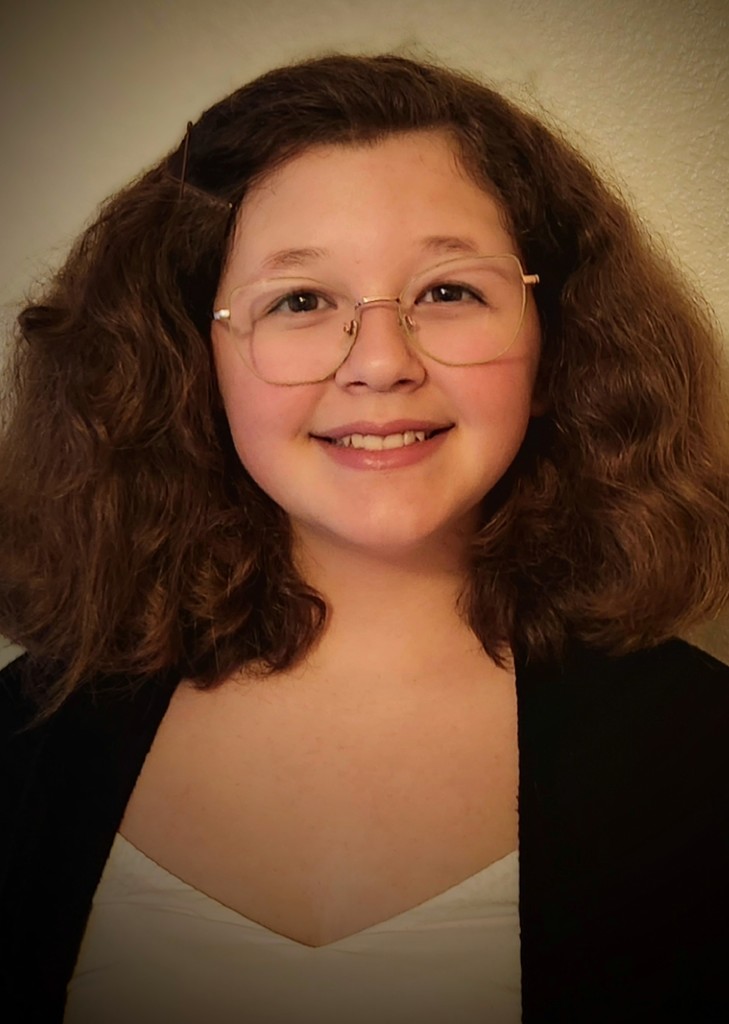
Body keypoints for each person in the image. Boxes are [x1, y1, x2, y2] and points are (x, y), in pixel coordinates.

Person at [1, 52, 728, 1024]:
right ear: (191, 363)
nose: (381, 363)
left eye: (449, 291)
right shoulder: (25, 740)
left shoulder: (703, 751)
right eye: (300, 301)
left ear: (556, 347)